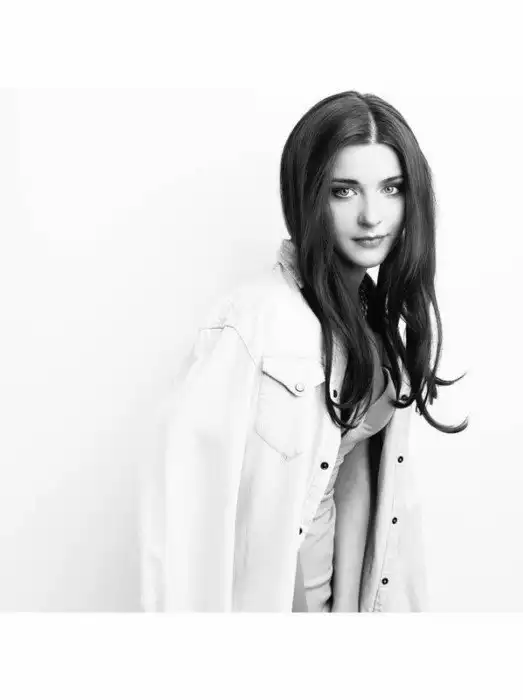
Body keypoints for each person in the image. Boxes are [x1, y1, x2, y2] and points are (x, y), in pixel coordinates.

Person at [139, 90, 468, 613]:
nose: (371, 215)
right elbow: (191, 502)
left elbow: (351, 474)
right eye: (344, 191)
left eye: (391, 188)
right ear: (308, 196)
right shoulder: (254, 322)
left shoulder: (374, 323)